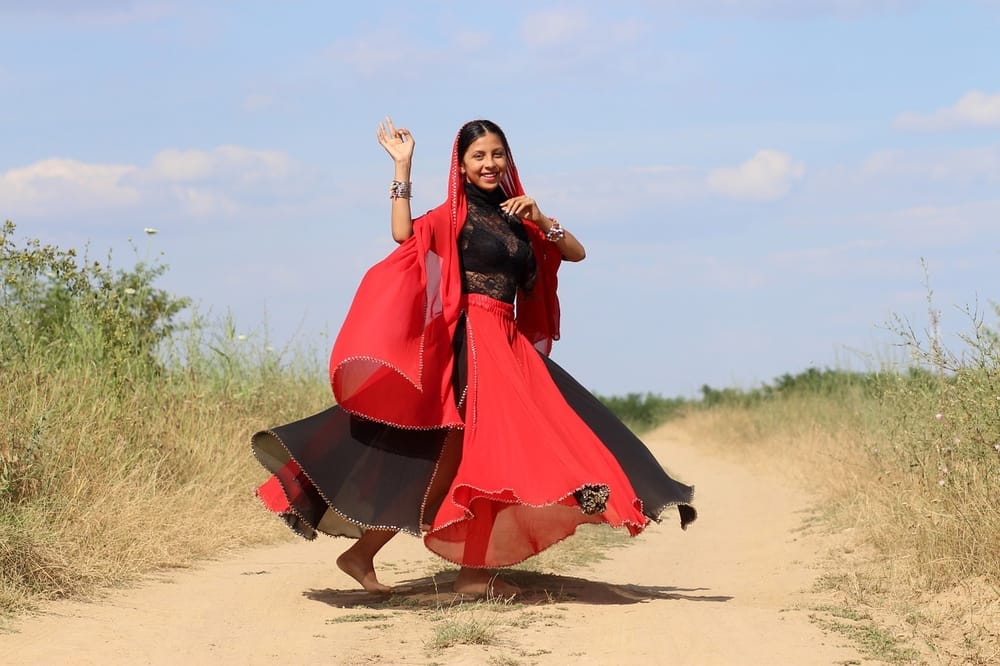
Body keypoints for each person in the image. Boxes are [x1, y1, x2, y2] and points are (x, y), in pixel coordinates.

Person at [252, 117, 696, 597]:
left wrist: (543, 220)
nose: (489, 164)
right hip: (472, 348)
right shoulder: (455, 216)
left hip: (509, 346)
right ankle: (469, 575)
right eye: (478, 157)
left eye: (497, 154)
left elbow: (576, 252)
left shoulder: (521, 217)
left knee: (465, 458)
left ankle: (385, 559)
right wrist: (403, 168)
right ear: (461, 167)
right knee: (469, 458)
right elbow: (404, 234)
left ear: (508, 160)